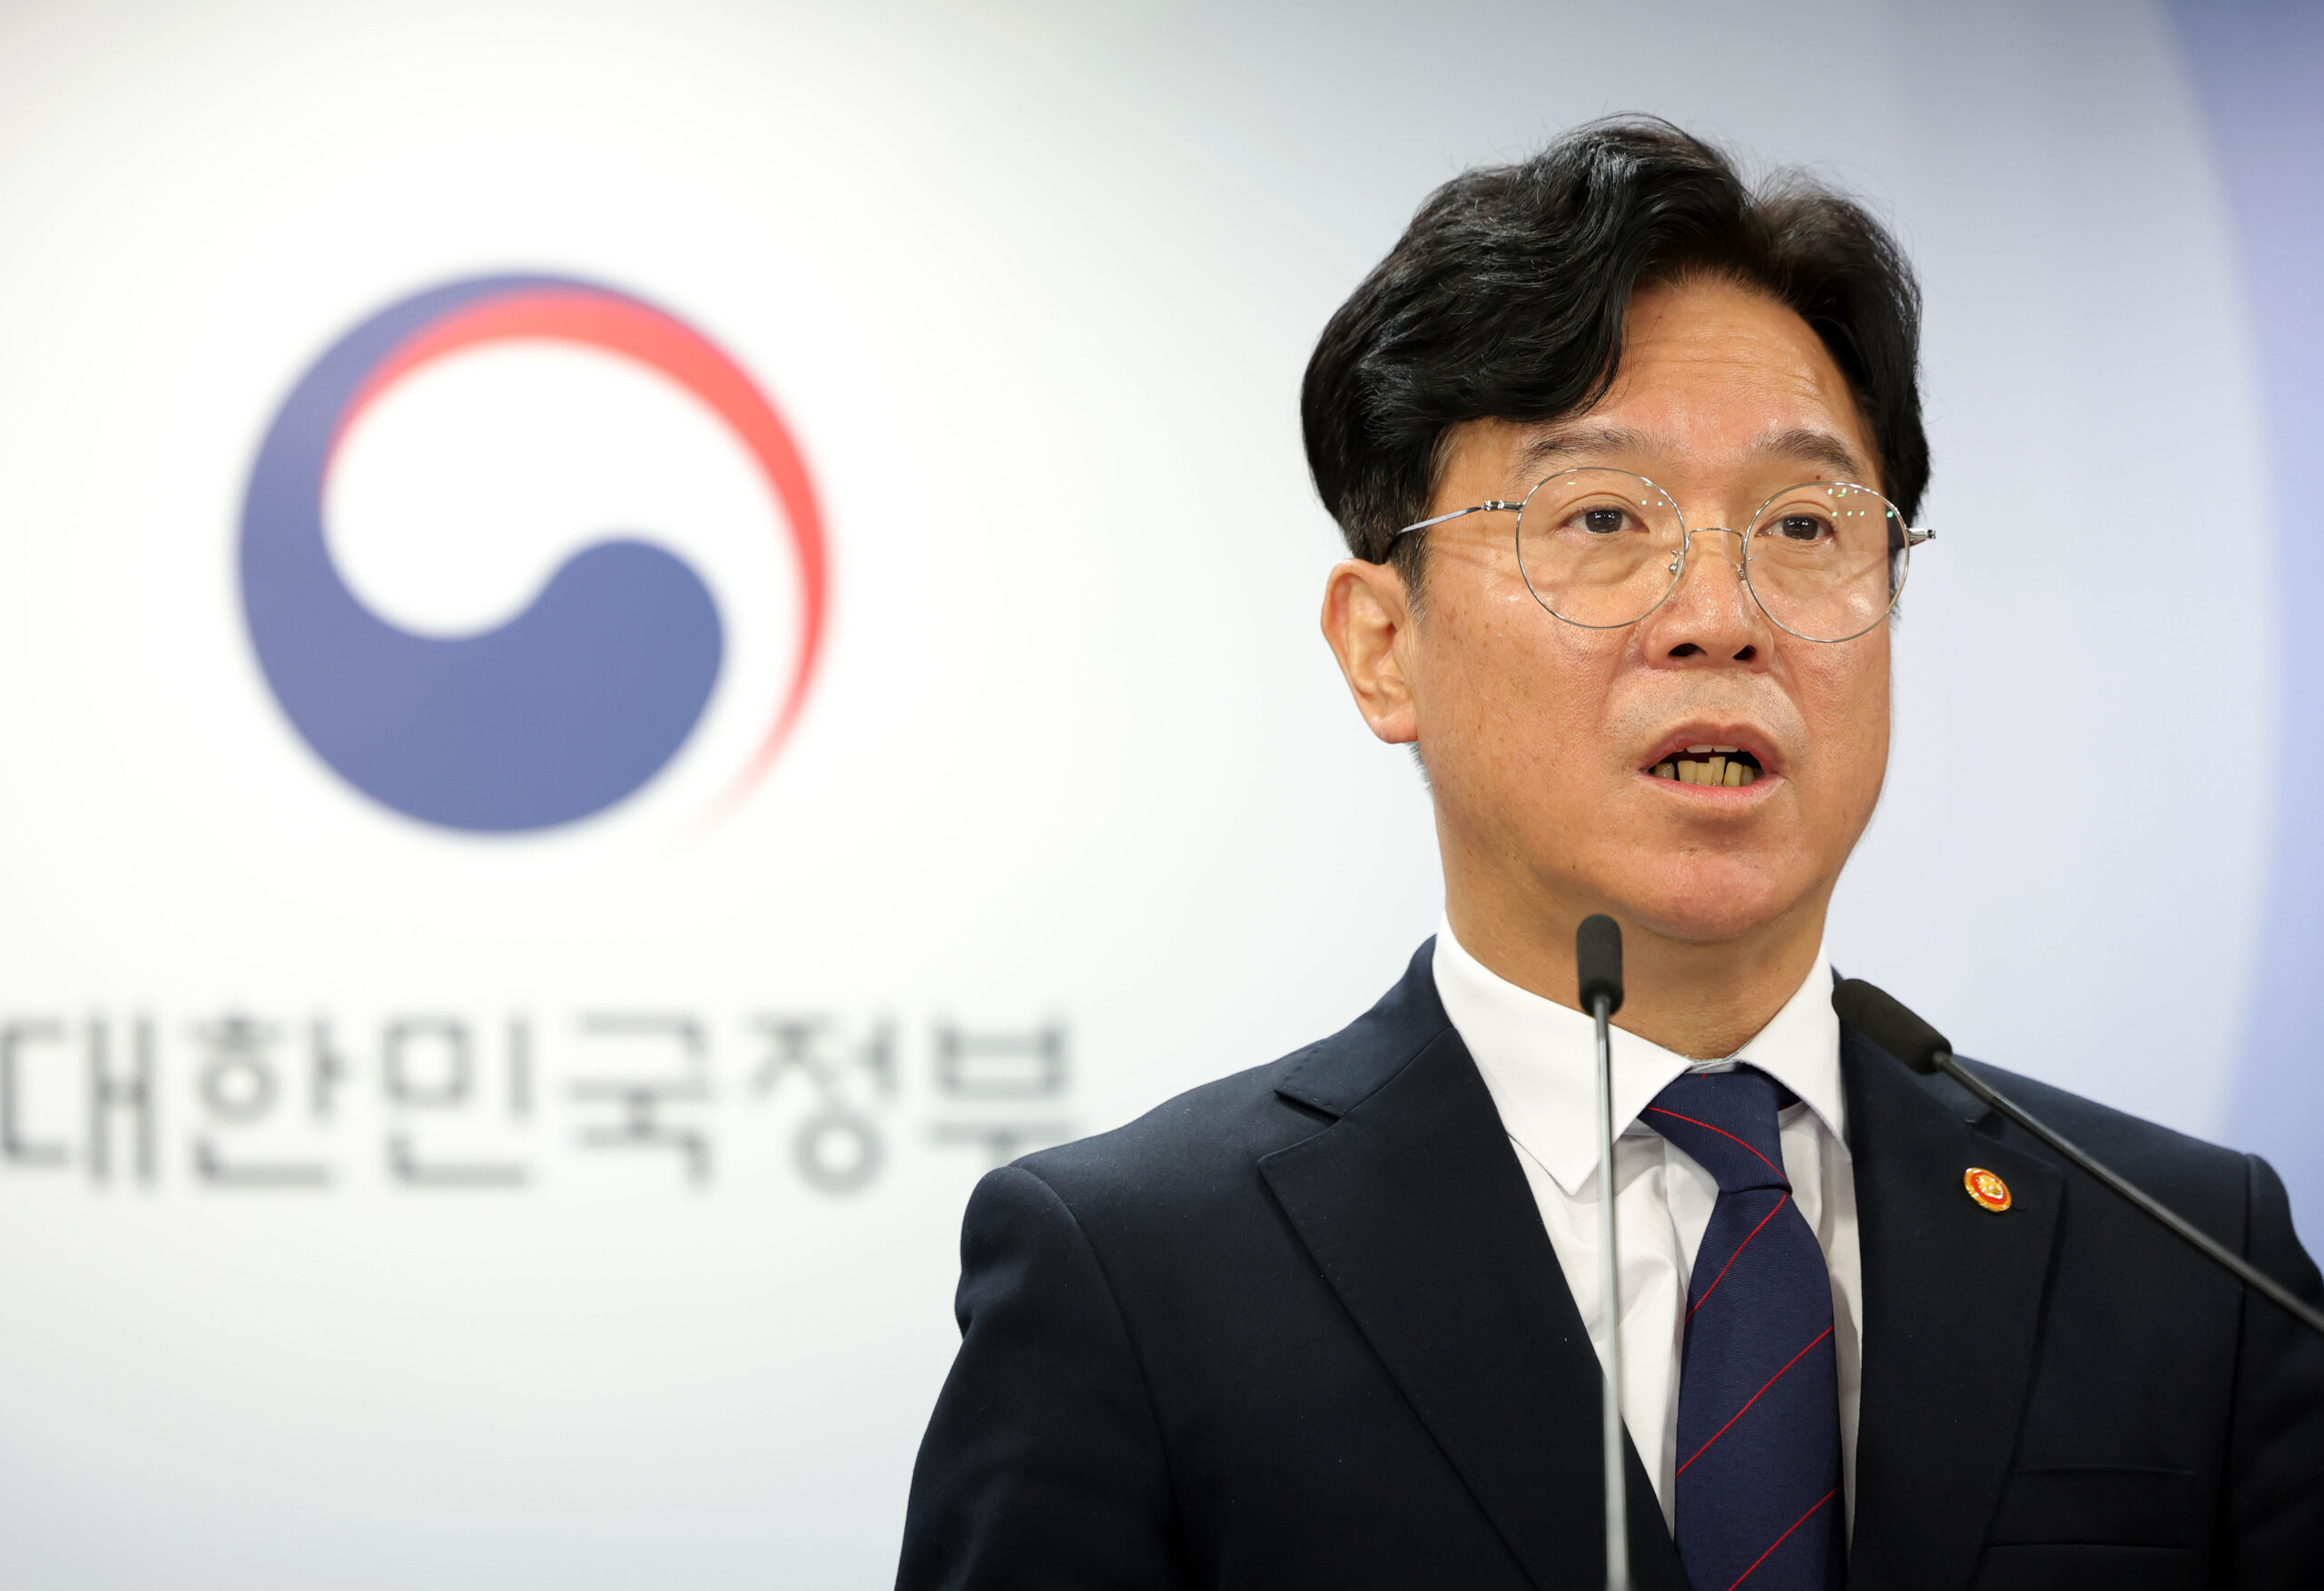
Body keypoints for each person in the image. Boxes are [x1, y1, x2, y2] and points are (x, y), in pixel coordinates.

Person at [892, 118, 2324, 1590]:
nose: (1722, 615)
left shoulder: (2191, 1259)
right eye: (1601, 517)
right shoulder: (1140, 1280)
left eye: (1805, 523)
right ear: (1383, 645)